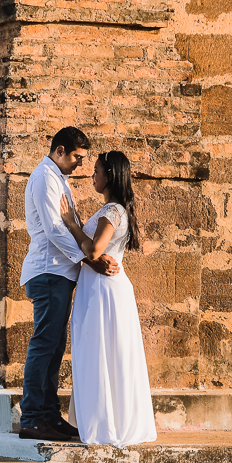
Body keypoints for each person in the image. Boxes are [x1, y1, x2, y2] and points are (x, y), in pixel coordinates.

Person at [18, 127, 120, 441]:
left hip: (59, 274)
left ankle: (49, 415)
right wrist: (89, 259)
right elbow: (54, 230)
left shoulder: (58, 178)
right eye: (77, 156)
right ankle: (32, 417)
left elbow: (68, 225)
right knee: (44, 344)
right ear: (60, 150)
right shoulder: (45, 178)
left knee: (54, 347)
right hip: (48, 272)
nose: (81, 164)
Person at [60, 150, 157, 447]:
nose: (93, 175)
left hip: (104, 291)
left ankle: (105, 424)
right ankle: (100, 418)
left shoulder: (113, 211)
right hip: (98, 287)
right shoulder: (109, 209)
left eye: (97, 171)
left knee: (102, 351)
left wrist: (71, 223)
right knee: (99, 351)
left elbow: (94, 250)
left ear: (110, 175)